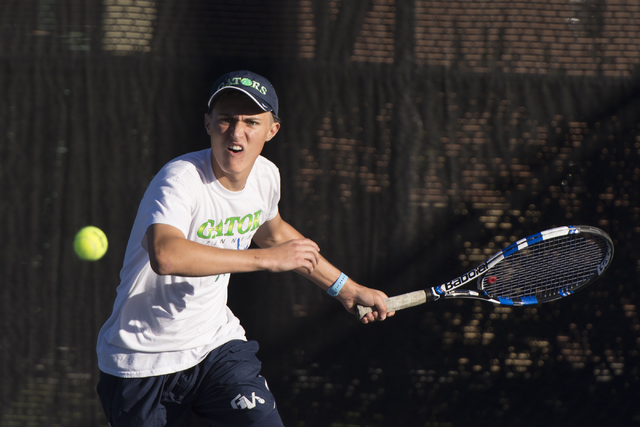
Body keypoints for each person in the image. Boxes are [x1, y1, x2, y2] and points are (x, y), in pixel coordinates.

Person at [96, 70, 393, 426]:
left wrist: (346, 288)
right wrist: (265, 261)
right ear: (208, 124)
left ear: (272, 130)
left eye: (251, 121)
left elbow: (273, 233)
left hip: (216, 346)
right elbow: (166, 254)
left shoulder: (266, 177)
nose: (237, 134)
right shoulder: (179, 179)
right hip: (141, 360)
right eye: (225, 120)